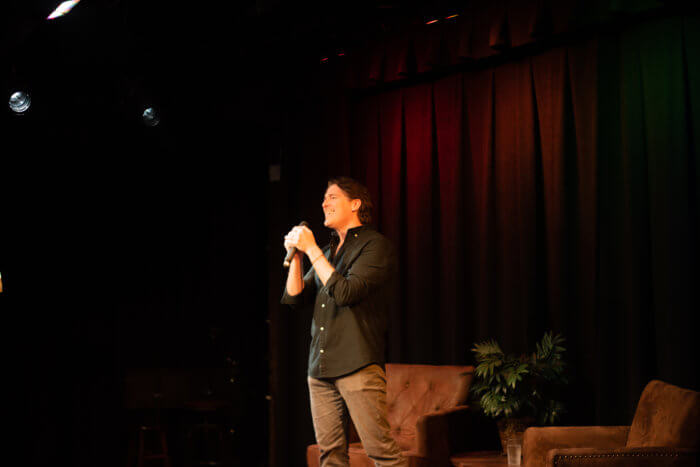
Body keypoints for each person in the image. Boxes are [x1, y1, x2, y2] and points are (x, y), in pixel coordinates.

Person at [281, 177, 407, 467]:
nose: (324, 203)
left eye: (333, 197)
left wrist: (312, 249)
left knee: (382, 454)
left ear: (355, 204)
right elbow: (294, 299)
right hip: (320, 369)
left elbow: (346, 292)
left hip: (357, 365)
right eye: (324, 198)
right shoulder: (327, 253)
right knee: (330, 457)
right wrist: (299, 257)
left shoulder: (375, 246)